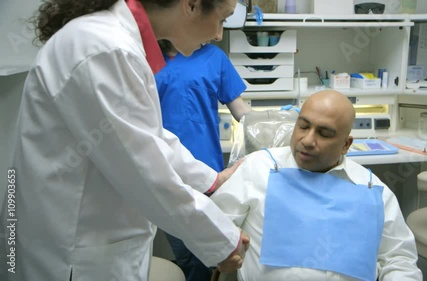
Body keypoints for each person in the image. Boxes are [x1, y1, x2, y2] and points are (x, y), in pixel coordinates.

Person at [8, 1, 250, 281]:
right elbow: (145, 172)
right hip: (74, 255)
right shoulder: (105, 48)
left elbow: (149, 137)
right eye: (222, 19)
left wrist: (211, 180)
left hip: (89, 241)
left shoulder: (114, 42)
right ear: (192, 5)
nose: (220, 35)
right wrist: (222, 239)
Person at [211, 90, 423, 281]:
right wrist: (224, 251)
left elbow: (398, 259)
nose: (307, 140)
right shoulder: (258, 168)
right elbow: (213, 224)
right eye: (303, 126)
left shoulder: (370, 189)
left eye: (324, 133)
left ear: (346, 145)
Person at [155, 40, 251, 281]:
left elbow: (241, 111)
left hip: (210, 174)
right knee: (187, 254)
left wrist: (277, 127)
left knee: (213, 253)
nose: (218, 33)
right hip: (164, 173)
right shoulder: (148, 56)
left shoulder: (213, 57)